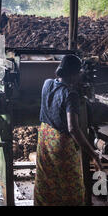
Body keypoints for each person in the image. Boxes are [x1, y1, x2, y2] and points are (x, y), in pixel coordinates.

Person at [33, 54, 102, 206]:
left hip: (44, 138)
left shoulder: (47, 83)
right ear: (74, 74)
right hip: (60, 144)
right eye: (79, 73)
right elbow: (73, 128)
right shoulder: (71, 95)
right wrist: (93, 154)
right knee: (71, 186)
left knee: (47, 180)